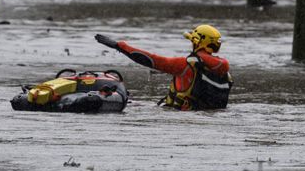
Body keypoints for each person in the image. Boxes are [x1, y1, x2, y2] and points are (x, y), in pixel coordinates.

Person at [95, 24, 233, 110]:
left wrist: (121, 46)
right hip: (208, 114)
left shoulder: (186, 65)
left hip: (181, 115)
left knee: (131, 104)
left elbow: (151, 60)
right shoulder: (225, 72)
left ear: (196, 42)